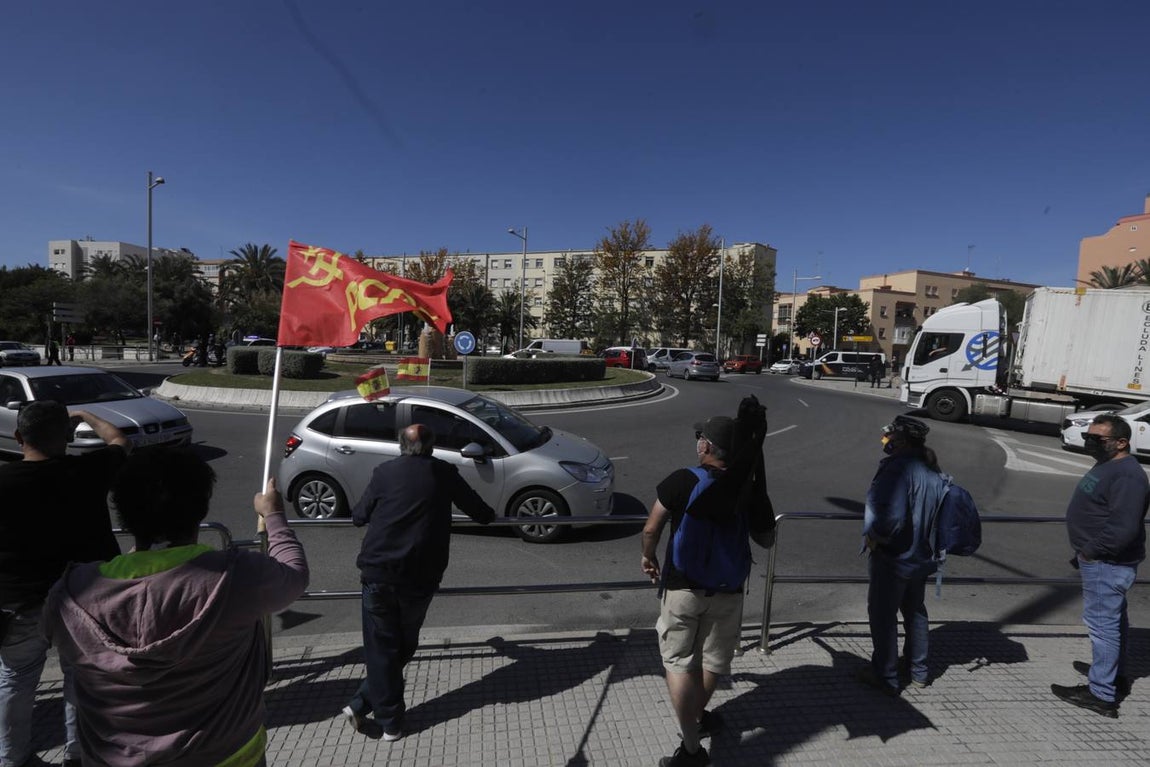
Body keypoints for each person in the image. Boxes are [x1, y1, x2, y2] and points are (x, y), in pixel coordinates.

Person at [41, 449, 309, 766]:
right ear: (201, 507)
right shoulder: (237, 577)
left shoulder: (70, 593)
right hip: (228, 756)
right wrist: (274, 516)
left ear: (123, 511)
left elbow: (49, 634)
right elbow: (295, 574)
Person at [640, 399, 772, 767]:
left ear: (706, 447)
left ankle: (692, 749)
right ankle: (699, 715)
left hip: (682, 588)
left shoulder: (683, 479)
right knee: (714, 660)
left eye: (701, 437)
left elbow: (652, 528)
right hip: (728, 589)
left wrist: (648, 557)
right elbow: (767, 539)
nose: (698, 442)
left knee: (679, 661)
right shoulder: (746, 487)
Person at [343, 423, 495, 740]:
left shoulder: (384, 472)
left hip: (379, 573)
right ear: (431, 446)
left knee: (385, 647)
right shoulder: (444, 472)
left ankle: (373, 711)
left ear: (401, 445)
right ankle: (387, 718)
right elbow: (480, 511)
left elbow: (359, 516)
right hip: (420, 579)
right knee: (404, 643)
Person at [0, 402, 127, 767]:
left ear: (19, 437)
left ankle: (12, 757)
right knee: (80, 677)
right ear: (68, 437)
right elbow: (119, 440)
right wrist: (86, 416)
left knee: (16, 678)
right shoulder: (88, 471)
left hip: (19, 603)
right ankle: (79, 755)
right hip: (82, 600)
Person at [1051, 413, 1149, 718]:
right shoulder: (1109, 464)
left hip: (1107, 562)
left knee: (1102, 627)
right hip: (1101, 560)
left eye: (1098, 439)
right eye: (1088, 437)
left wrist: (1090, 552)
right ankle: (1111, 673)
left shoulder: (1128, 475)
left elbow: (1123, 527)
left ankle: (1101, 694)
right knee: (1114, 622)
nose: (1090, 442)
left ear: (1121, 443)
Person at [858, 415, 948, 696]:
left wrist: (876, 538)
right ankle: (919, 672)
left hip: (894, 556)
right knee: (915, 612)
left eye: (892, 436)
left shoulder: (897, 469)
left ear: (902, 440)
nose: (887, 440)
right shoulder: (932, 470)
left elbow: (891, 518)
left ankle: (886, 676)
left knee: (883, 615)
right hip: (923, 555)